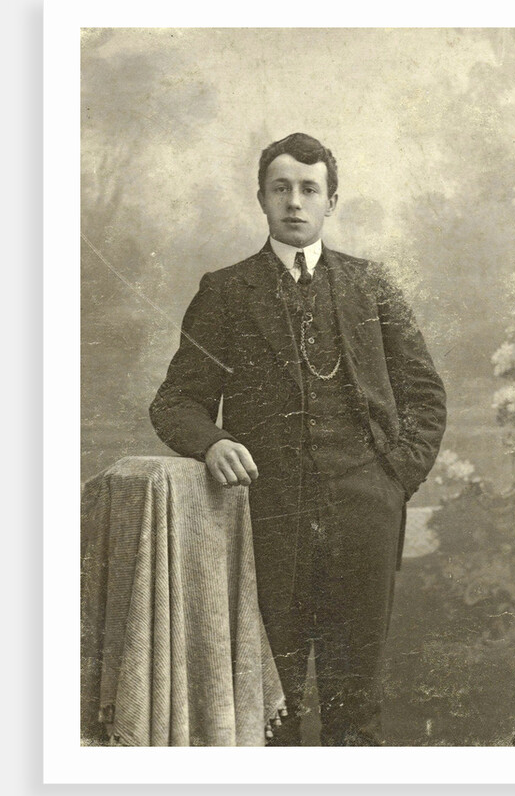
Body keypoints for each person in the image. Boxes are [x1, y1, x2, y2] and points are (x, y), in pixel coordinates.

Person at [150, 132, 447, 746]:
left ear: (331, 201)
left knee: (355, 701)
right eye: (280, 188)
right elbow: (176, 401)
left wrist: (392, 481)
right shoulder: (226, 291)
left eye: (309, 189)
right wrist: (211, 442)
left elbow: (425, 397)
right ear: (261, 198)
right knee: (268, 703)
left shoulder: (372, 285)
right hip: (267, 520)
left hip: (363, 517)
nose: (294, 201)